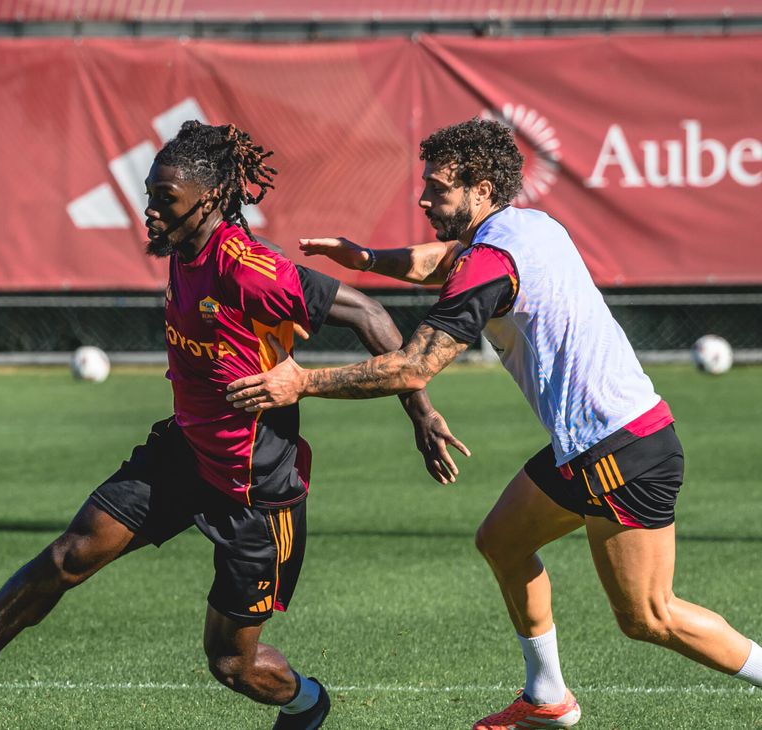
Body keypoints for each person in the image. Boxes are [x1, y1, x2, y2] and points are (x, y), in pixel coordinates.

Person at [0, 120, 464, 729]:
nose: (149, 212)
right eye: (149, 196)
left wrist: (420, 409)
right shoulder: (185, 250)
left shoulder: (250, 269)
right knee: (68, 555)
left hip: (255, 496)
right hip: (183, 455)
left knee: (233, 667)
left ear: (207, 200)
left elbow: (367, 311)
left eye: (164, 199)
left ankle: (308, 703)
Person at [226, 117, 762, 729]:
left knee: (649, 616)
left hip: (620, 450)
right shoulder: (525, 227)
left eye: (439, 189)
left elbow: (410, 367)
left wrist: (302, 381)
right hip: (592, 446)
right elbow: (444, 260)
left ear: (481, 189)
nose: (425, 198)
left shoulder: (492, 258)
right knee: (502, 540)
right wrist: (369, 259)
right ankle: (547, 698)